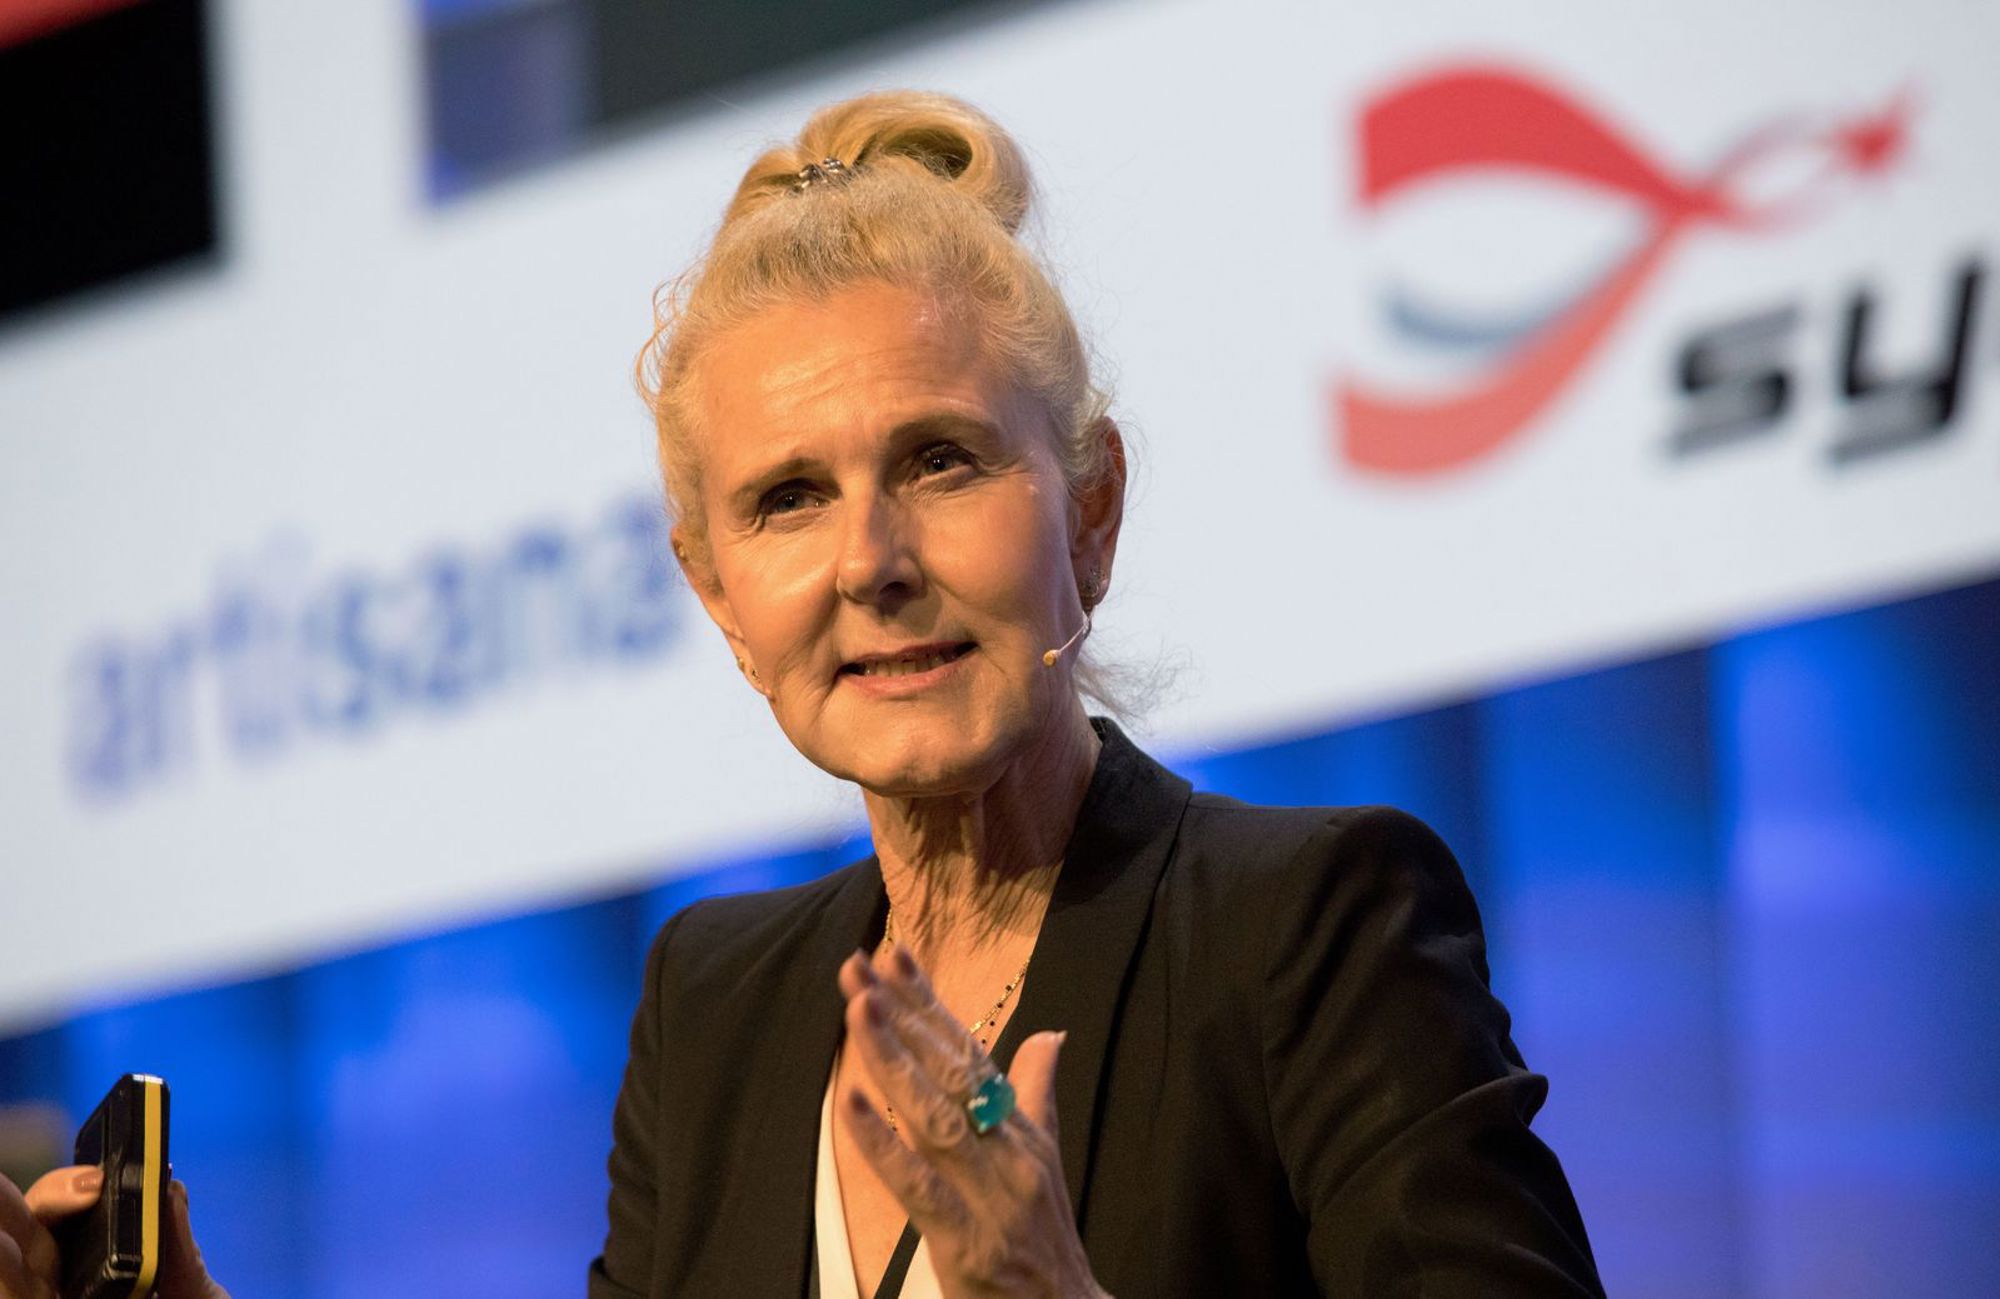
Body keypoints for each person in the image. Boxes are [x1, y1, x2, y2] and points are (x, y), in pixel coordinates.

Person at [591, 90, 1603, 1298]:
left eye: (940, 461)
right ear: (717, 596)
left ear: (1091, 511)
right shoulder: (707, 1008)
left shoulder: (1306, 927)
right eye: (788, 499)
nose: (869, 563)